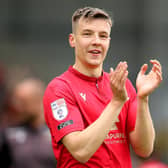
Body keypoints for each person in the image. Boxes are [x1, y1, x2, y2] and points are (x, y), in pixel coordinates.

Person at [43, 6, 163, 168]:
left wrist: (143, 98)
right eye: (87, 34)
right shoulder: (60, 89)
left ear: (108, 41)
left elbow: (144, 149)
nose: (96, 41)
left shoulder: (123, 86)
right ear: (72, 40)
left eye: (103, 36)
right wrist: (116, 103)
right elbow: (81, 151)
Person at [0, 78, 56, 168]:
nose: (17, 106)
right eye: (15, 101)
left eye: (23, 102)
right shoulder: (7, 133)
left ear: (38, 101)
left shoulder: (58, 133)